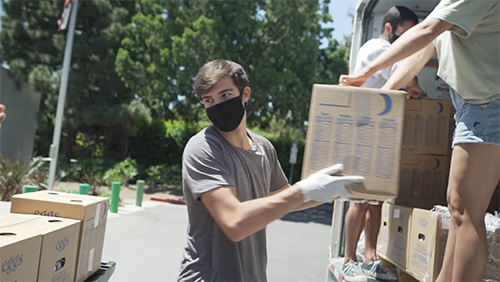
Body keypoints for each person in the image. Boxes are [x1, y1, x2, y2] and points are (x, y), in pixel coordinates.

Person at [339, 1, 499, 281]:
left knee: (467, 210)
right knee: (457, 206)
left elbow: (427, 28)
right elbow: (422, 52)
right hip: (474, 107)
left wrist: (367, 72)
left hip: (487, 105)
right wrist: (382, 94)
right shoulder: (450, 7)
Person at [178, 59, 364, 282]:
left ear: (245, 94)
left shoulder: (264, 148)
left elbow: (286, 198)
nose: (217, 105)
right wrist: (302, 191)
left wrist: (340, 188)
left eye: (225, 95)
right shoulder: (203, 148)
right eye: (209, 100)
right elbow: (234, 222)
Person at [338, 6, 420, 282]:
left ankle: (371, 258)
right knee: (360, 199)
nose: (408, 39)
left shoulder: (383, 50)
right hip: (363, 131)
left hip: (380, 132)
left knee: (377, 200)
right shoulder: (375, 47)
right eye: (405, 32)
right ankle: (350, 258)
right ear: (389, 28)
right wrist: (415, 86)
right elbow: (406, 74)